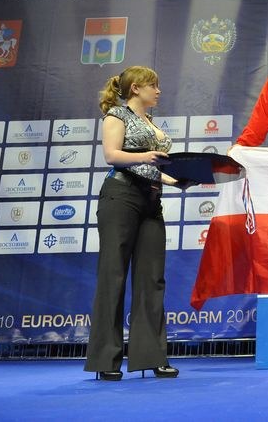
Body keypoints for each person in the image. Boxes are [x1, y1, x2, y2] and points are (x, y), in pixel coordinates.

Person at [85, 65, 186, 381]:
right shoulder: (117, 115)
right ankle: (106, 360)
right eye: (152, 85)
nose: (158, 91)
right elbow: (112, 155)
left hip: (150, 200)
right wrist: (146, 158)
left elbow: (154, 167)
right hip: (121, 196)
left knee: (152, 279)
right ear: (135, 89)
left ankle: (152, 357)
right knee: (113, 274)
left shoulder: (151, 122)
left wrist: (177, 180)